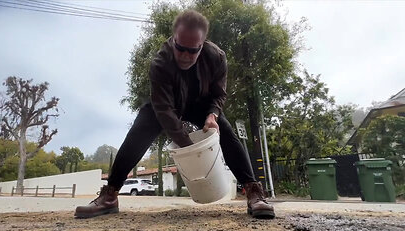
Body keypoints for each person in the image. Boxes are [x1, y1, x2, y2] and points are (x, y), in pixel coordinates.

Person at [75, 10, 275, 219]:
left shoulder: (217, 57)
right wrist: (189, 146)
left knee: (225, 131)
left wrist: (213, 115)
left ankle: (254, 193)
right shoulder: (160, 63)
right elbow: (163, 109)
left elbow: (219, 94)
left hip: (202, 105)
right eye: (180, 48)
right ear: (173, 40)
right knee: (140, 129)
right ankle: (110, 195)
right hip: (168, 105)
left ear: (202, 43)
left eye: (193, 50)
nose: (186, 56)